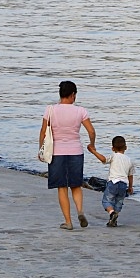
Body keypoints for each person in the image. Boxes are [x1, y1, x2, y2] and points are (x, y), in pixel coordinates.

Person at [39, 80, 98, 230]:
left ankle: (68, 222)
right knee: (76, 185)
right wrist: (92, 144)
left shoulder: (50, 110)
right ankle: (80, 211)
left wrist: (41, 149)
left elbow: (43, 131)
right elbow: (91, 131)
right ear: (73, 95)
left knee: (62, 187)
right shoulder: (80, 111)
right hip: (76, 152)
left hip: (56, 153)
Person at [90, 136, 135, 227]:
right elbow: (130, 175)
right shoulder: (129, 160)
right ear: (125, 148)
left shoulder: (113, 156)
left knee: (106, 201)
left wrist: (93, 151)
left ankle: (111, 213)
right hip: (123, 185)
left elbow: (103, 159)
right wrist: (130, 187)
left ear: (112, 148)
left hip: (113, 183)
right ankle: (114, 220)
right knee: (118, 202)